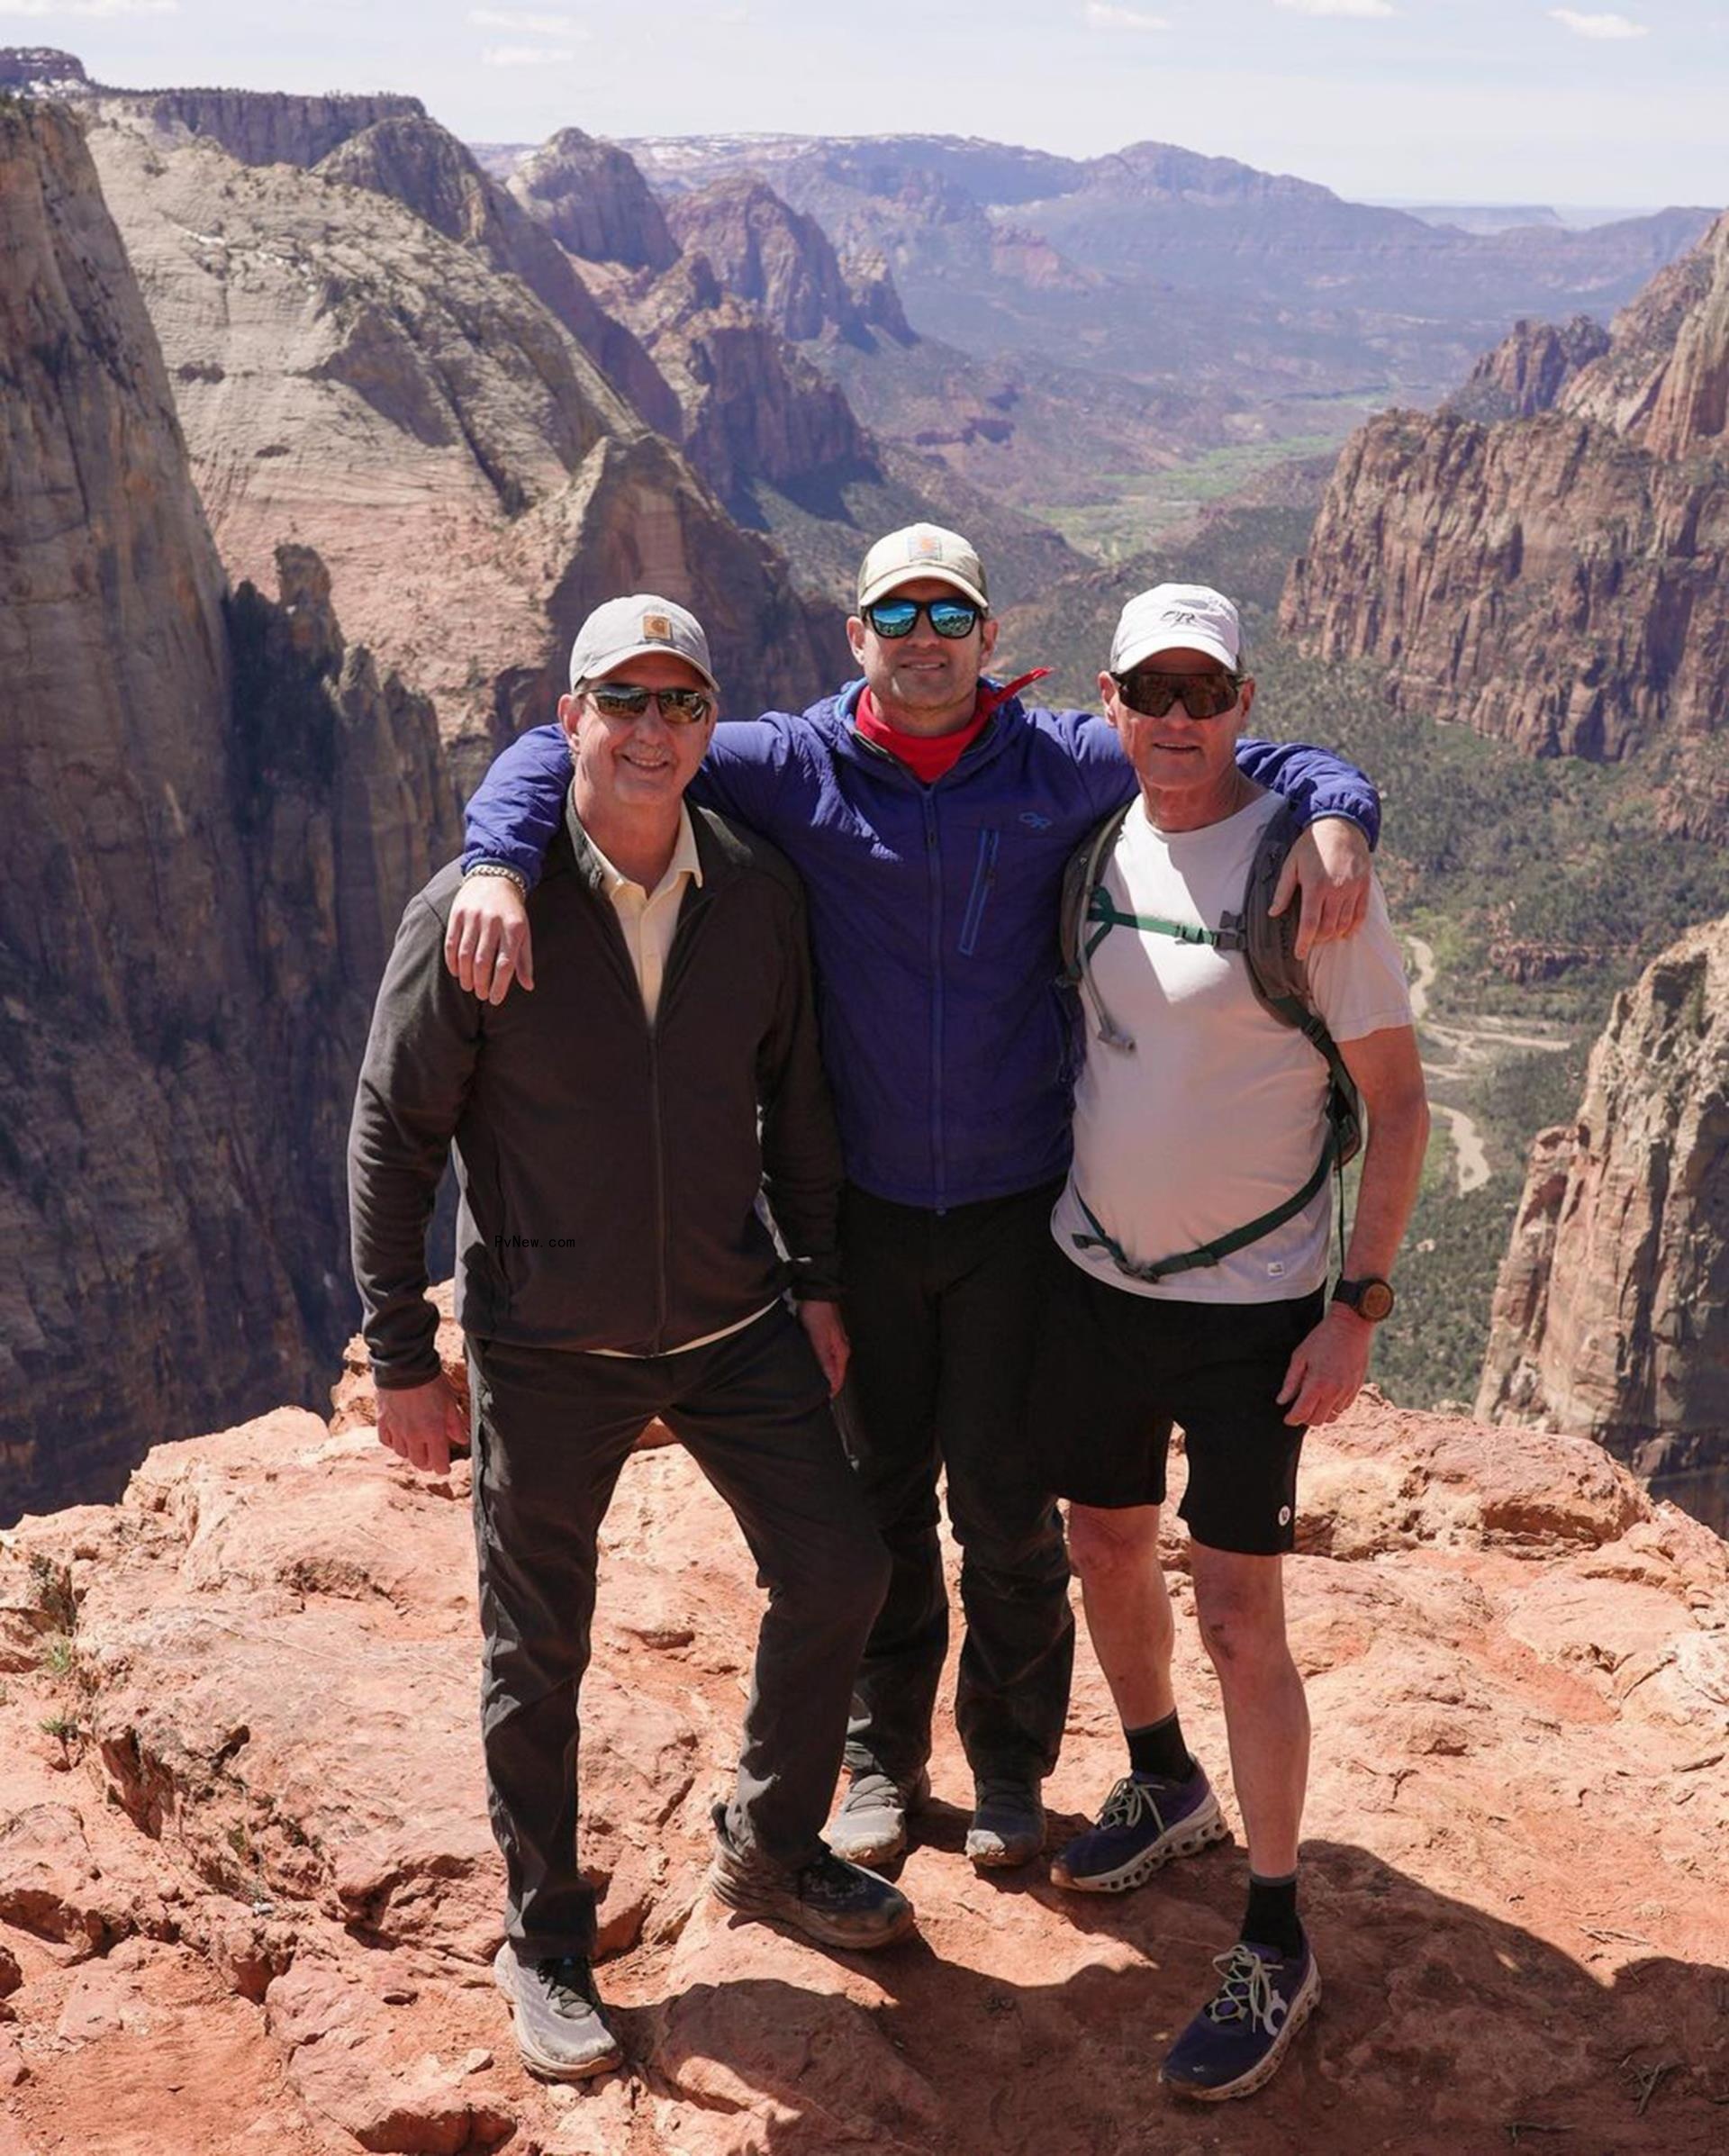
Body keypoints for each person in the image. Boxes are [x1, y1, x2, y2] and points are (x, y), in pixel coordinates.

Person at [445, 527, 1383, 1874]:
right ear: (857, 636)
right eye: (899, 609)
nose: (927, 632)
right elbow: (575, 747)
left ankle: (1009, 1762)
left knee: (1007, 1507)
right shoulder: (789, 761)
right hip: (867, 1216)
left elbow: (1248, 752)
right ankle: (885, 1760)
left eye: (954, 611)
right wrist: (493, 859)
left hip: (1020, 1216)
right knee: (880, 1503)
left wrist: (1342, 810)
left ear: (990, 639)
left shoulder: (1061, 757)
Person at [348, 595, 911, 2087]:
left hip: (734, 1319)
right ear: (570, 715)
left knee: (844, 1565)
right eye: (624, 702)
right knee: (538, 1651)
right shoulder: (481, 910)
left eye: (680, 704)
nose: (652, 731)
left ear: (707, 725)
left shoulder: (755, 894)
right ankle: (543, 1936)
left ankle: (773, 1845)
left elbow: (796, 1110)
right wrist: (403, 1352)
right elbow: (394, 1135)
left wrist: (824, 1281)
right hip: (543, 1343)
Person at [1030, 583, 1428, 2100]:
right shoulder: (1089, 842)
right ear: (1118, 705)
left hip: (1253, 1307)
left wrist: (1358, 1304)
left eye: (1208, 691)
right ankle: (1160, 1777)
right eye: (1155, 691)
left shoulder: (1309, 875)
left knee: (1242, 1614)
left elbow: (1397, 1105)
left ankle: (1276, 1927)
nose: (1181, 718)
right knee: (1105, 1545)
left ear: (1246, 703)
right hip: (1090, 1279)